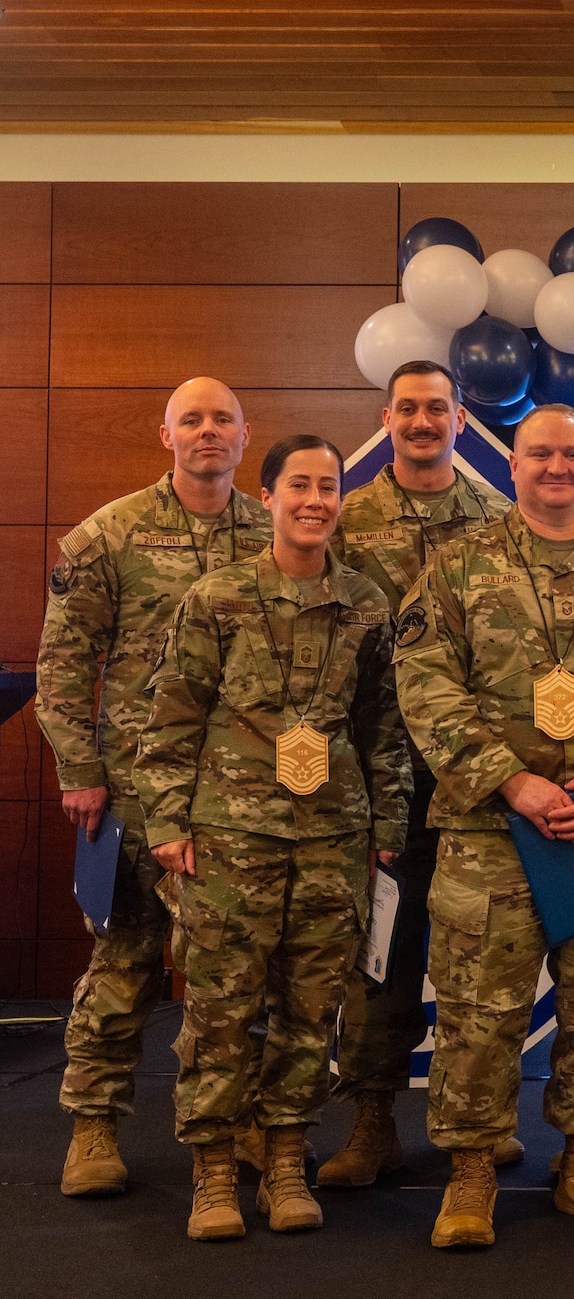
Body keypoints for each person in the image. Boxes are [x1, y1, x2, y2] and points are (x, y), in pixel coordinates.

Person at [394, 404, 574, 1249]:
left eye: (573, 455)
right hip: (491, 831)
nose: (557, 468)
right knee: (478, 1013)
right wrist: (510, 779)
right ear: (513, 467)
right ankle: (473, 1170)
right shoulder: (455, 569)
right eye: (539, 455)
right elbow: (423, 686)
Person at [135, 434, 408, 1240]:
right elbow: (172, 715)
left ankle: (287, 1159)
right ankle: (215, 1171)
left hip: (333, 837)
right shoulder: (216, 598)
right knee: (221, 1008)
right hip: (229, 836)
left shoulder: (366, 603)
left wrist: (385, 827)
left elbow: (383, 727)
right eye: (300, 485)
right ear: (270, 496)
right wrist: (168, 823)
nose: (316, 499)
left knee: (309, 1009)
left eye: (328, 486)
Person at [37, 376, 271, 1198]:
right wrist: (80, 768)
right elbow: (65, 661)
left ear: (246, 436)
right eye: (192, 421)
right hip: (135, 789)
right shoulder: (111, 534)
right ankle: (93, 1125)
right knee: (126, 956)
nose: (208, 432)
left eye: (222, 421)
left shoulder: (273, 534)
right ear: (164, 436)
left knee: (238, 969)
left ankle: (237, 1118)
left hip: (242, 792)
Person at [319, 360, 514, 1189]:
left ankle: (484, 1124)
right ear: (387, 417)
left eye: (439, 408)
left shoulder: (503, 520)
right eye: (409, 409)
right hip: (380, 772)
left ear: (461, 423)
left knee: (485, 957)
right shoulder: (343, 517)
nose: (424, 421)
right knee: (384, 949)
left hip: (473, 771)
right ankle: (372, 1124)